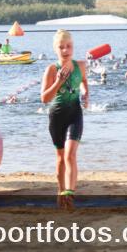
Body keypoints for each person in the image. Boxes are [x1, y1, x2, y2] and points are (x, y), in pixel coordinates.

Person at [40, 29, 89, 209]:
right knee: (60, 158)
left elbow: (84, 82)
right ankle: (61, 192)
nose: (66, 50)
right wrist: (58, 82)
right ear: (56, 49)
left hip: (75, 114)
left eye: (69, 46)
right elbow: (44, 99)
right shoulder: (52, 69)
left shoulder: (81, 66)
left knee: (70, 154)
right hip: (57, 116)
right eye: (61, 47)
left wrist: (86, 95)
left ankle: (70, 193)